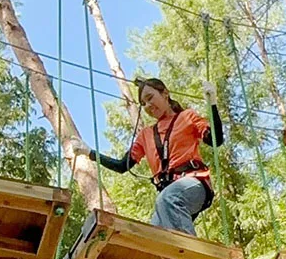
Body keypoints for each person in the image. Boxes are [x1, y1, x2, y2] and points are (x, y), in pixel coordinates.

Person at [71, 77, 224, 235]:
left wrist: (212, 104)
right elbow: (122, 166)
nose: (148, 106)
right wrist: (90, 153)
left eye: (150, 98)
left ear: (165, 93)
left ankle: (191, 256)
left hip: (193, 183)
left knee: (167, 199)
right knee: (152, 235)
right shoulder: (146, 135)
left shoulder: (187, 117)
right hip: (168, 193)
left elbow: (215, 140)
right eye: (143, 104)